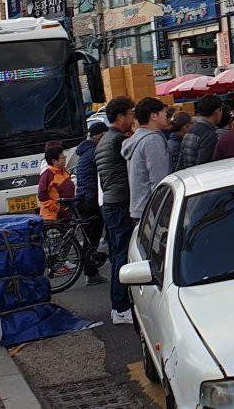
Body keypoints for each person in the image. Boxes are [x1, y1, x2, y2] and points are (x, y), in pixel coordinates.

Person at [94, 95, 136, 326]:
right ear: (120, 116)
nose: (133, 118)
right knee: (121, 256)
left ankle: (119, 307)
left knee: (118, 256)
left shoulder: (103, 140)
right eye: (131, 114)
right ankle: (120, 308)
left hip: (110, 204)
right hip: (120, 204)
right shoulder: (119, 140)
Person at [123, 97, 172, 224]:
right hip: (152, 211)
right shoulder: (152, 140)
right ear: (153, 116)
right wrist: (164, 210)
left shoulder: (137, 138)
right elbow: (159, 179)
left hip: (140, 207)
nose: (166, 114)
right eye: (163, 111)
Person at [74, 122, 108, 286]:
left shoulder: (84, 152)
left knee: (90, 238)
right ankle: (91, 272)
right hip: (91, 200)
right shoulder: (94, 153)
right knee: (93, 239)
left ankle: (91, 272)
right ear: (101, 136)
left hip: (83, 200)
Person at [179, 95, 224, 170]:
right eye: (221, 110)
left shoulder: (190, 130)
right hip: (198, 178)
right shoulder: (209, 134)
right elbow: (203, 167)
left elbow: (180, 162)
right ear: (217, 111)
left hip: (188, 177)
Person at [37, 141, 76, 222]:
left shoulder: (63, 170)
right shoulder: (47, 175)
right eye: (62, 157)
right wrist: (56, 208)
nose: (65, 159)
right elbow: (41, 195)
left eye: (64, 156)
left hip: (66, 215)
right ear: (54, 161)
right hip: (52, 218)